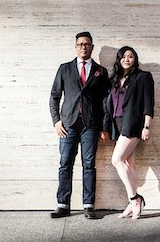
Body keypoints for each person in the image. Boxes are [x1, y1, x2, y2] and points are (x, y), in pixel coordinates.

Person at [49, 32, 111, 219]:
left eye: (87, 44)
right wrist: (56, 121)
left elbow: (105, 101)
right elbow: (54, 96)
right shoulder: (64, 69)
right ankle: (63, 205)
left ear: (92, 47)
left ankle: (88, 205)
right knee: (65, 163)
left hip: (90, 125)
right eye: (80, 44)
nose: (83, 47)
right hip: (68, 124)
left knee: (89, 165)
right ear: (76, 47)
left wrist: (104, 127)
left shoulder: (101, 71)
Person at [101, 46, 155, 219]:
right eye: (123, 57)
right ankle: (133, 203)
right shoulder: (114, 80)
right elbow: (108, 105)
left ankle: (135, 199)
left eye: (130, 56)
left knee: (116, 160)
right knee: (128, 165)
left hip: (132, 124)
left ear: (135, 59)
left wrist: (146, 126)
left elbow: (148, 102)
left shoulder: (143, 77)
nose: (126, 59)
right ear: (118, 60)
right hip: (117, 126)